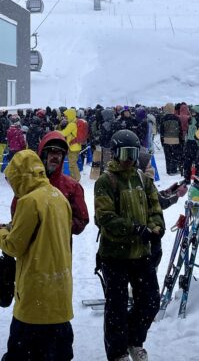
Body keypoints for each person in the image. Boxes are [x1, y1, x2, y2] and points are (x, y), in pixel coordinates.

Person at [0, 149, 74, 361]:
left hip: (35, 296)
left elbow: (14, 246)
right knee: (57, 354)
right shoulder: (58, 197)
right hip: (60, 294)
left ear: (20, 176)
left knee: (21, 354)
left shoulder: (29, 201)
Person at [94, 129, 165, 361]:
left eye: (133, 153)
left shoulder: (144, 180)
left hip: (141, 254)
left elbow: (155, 209)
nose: (129, 159)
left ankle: (134, 340)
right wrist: (135, 229)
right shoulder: (106, 181)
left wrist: (156, 228)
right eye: (124, 153)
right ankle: (117, 352)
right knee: (116, 306)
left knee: (151, 299)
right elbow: (104, 217)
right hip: (114, 256)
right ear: (115, 154)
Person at [36, 131, 89, 237]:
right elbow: (17, 213)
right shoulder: (30, 183)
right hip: (31, 250)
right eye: (52, 151)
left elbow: (81, 220)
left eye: (59, 153)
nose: (56, 157)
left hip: (59, 249)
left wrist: (59, 223)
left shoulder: (72, 187)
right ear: (43, 154)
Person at [60, 108, 82, 182]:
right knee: (73, 163)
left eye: (66, 116)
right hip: (76, 146)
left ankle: (76, 179)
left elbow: (64, 133)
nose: (65, 118)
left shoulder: (72, 124)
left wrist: (54, 132)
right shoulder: (75, 122)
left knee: (72, 164)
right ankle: (75, 177)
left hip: (73, 147)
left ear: (70, 115)